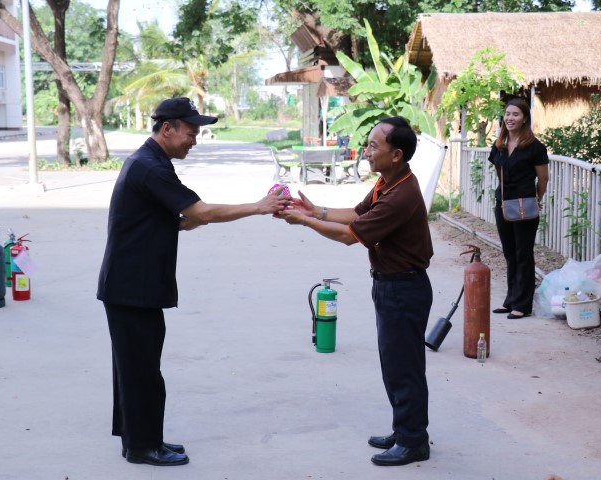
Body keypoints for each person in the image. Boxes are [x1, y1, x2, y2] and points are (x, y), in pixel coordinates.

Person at [97, 97, 290, 466]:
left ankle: (139, 439)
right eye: (190, 132)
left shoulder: (150, 162)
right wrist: (259, 206)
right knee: (141, 371)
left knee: (135, 367)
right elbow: (200, 211)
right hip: (132, 287)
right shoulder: (150, 167)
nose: (194, 140)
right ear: (167, 129)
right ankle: (142, 446)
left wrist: (195, 218)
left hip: (132, 284)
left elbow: (180, 218)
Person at [280, 116, 433, 467]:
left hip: (404, 288)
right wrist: (315, 210)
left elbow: (351, 235)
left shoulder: (401, 194)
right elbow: (356, 214)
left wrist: (304, 221)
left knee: (404, 367)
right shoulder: (388, 182)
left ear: (396, 154)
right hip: (392, 284)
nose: (366, 151)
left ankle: (413, 440)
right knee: (394, 364)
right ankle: (405, 430)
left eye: (374, 146)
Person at [488, 97, 549, 319]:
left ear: (524, 119)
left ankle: (522, 304)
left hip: (525, 206)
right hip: (503, 204)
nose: (510, 118)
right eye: (507, 114)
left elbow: (543, 179)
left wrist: (537, 199)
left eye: (516, 114)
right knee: (509, 253)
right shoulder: (499, 146)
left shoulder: (535, 147)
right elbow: (500, 174)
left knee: (523, 253)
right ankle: (511, 300)